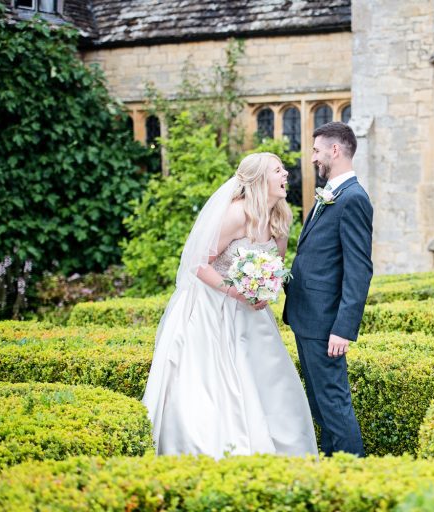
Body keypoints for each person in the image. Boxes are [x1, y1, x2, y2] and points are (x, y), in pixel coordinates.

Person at [143, 152, 318, 459]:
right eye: (278, 171)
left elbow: (275, 264)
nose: (286, 175)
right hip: (214, 308)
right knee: (217, 382)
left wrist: (266, 287)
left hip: (254, 312)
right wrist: (235, 291)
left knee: (267, 378)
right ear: (261, 180)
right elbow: (199, 263)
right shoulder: (237, 214)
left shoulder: (281, 216)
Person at [283, 122, 373, 457]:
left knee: (333, 404)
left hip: (325, 325)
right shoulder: (332, 193)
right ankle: (335, 468)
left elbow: (359, 269)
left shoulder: (353, 199)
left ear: (335, 151)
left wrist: (343, 328)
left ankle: (354, 474)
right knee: (321, 405)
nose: (313, 158)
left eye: (316, 150)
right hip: (308, 318)